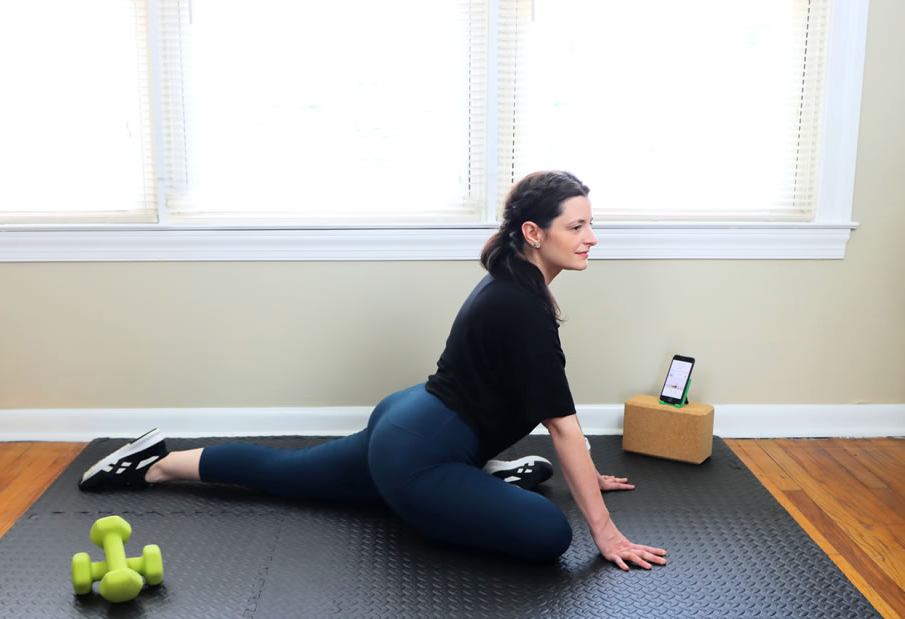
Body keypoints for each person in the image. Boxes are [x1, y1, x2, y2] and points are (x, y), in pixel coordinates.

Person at [79, 170, 667, 571]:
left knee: (290, 473)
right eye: (578, 227)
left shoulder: (514, 279)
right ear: (534, 234)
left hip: (411, 420)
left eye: (590, 224)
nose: (592, 238)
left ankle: (154, 466)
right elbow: (562, 427)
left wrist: (587, 473)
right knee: (549, 536)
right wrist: (606, 532)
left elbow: (543, 407)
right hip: (420, 454)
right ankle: (469, 485)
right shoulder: (523, 306)